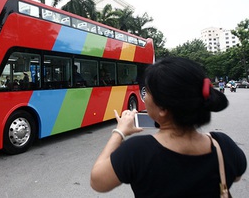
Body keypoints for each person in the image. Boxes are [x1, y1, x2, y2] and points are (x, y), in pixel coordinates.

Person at [90, 57, 246, 197]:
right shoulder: (224, 146)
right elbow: (236, 175)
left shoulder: (137, 151)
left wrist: (119, 132)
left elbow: (97, 181)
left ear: (163, 109)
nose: (144, 97)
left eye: (147, 92)